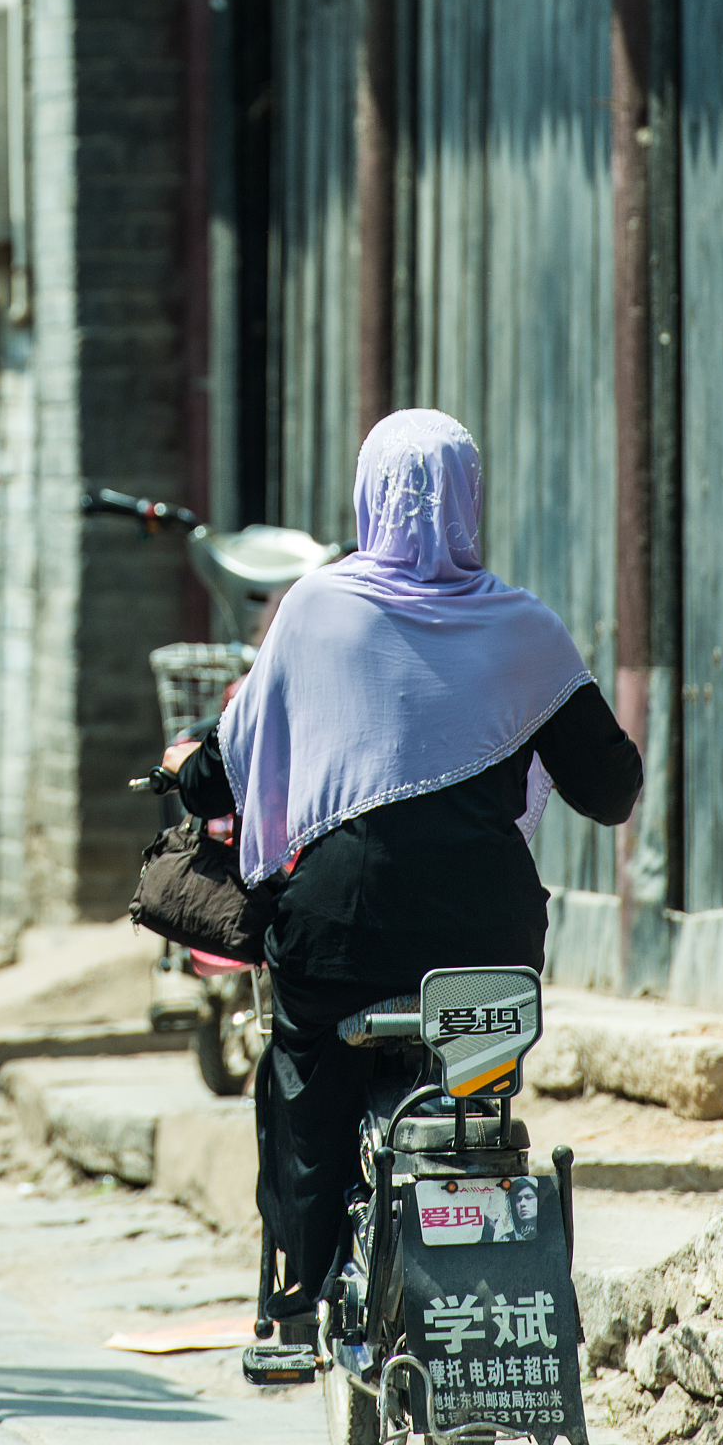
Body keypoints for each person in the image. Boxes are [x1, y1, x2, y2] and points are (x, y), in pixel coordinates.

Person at [163, 409, 640, 1300]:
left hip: (341, 935)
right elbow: (609, 793)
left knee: (305, 1075)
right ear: (471, 500)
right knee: (479, 1100)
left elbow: (230, 767)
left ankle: (303, 1290)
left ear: (368, 497)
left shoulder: (314, 610)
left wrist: (187, 784)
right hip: (487, 945)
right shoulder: (524, 628)